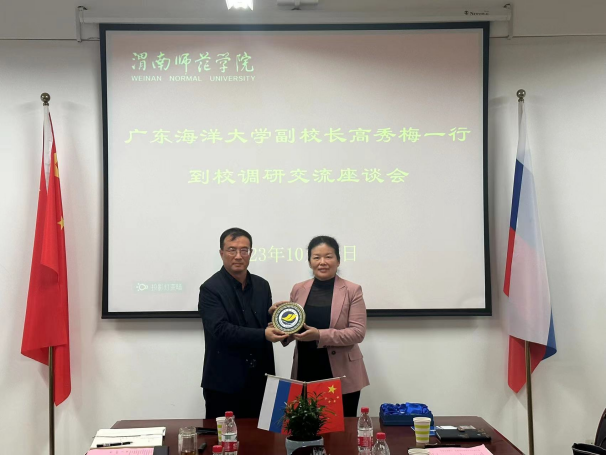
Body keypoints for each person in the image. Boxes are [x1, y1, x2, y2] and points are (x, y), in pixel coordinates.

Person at [270, 235, 370, 417]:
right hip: (306, 369)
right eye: (316, 257)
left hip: (340, 374)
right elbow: (294, 326)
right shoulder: (298, 289)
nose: (322, 262)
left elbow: (357, 333)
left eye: (328, 256)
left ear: (338, 260)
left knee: (341, 431)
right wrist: (279, 322)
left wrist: (319, 335)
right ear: (310, 262)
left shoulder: (352, 290)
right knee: (305, 427)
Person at [199, 227, 288, 419]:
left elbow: (262, 325)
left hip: (261, 381)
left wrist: (274, 317)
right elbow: (221, 330)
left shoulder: (262, 285)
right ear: (222, 253)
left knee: (263, 436)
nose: (238, 256)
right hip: (225, 384)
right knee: (225, 437)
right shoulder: (210, 289)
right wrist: (264, 334)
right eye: (232, 250)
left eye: (244, 250)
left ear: (251, 253)